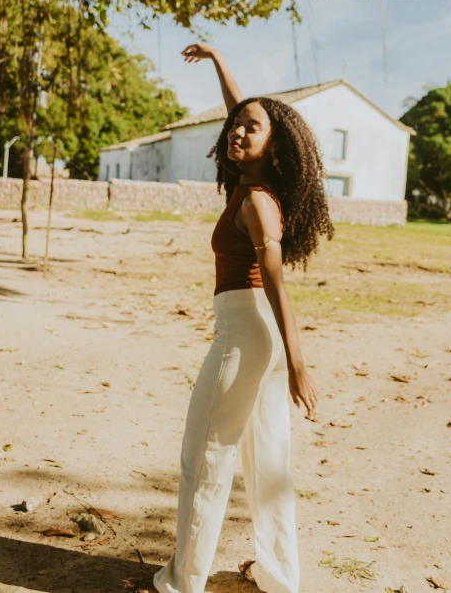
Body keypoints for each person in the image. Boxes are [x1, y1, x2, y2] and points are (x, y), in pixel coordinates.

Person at [126, 44, 334, 593]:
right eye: (236, 126)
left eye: (251, 129)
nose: (237, 132)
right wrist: (219, 60)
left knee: (205, 457)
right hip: (253, 332)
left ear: (275, 145)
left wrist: (299, 364)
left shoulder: (257, 203)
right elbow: (239, 110)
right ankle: (278, 576)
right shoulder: (251, 183)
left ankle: (182, 582)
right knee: (268, 464)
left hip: (246, 333)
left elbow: (278, 285)